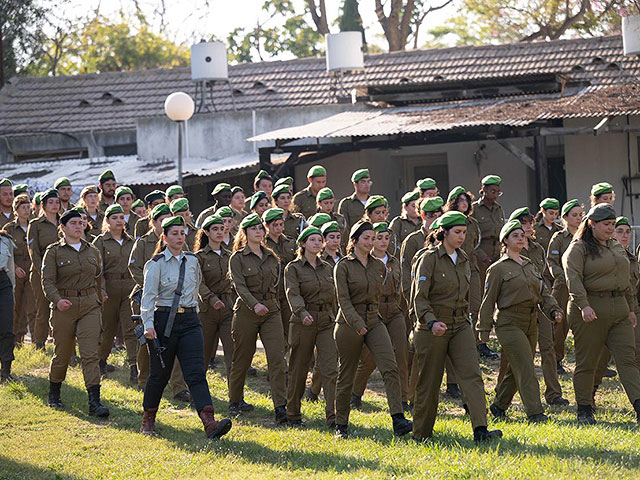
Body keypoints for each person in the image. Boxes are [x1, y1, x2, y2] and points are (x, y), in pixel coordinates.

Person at [412, 211, 502, 442]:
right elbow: (419, 298)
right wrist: (430, 321)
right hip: (433, 326)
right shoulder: (429, 258)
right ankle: (421, 433)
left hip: (460, 324)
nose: (462, 237)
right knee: (429, 382)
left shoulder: (463, 258)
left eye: (464, 232)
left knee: (472, 375)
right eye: (457, 232)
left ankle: (480, 429)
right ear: (443, 232)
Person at [139, 215, 232, 439]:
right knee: (159, 376)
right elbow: (148, 298)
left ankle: (210, 423)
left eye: (182, 233)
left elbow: (197, 288)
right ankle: (148, 420)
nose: (180, 237)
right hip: (163, 322)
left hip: (190, 321)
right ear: (164, 237)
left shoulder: (192, 261)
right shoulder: (156, 264)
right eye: (174, 234)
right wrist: (148, 325)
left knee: (196, 373)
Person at [333, 220, 412, 439]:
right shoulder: (344, 266)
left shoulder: (378, 265)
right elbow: (343, 300)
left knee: (390, 366)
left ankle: (398, 419)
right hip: (350, 323)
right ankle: (341, 425)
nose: (370, 242)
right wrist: (357, 324)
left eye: (372, 238)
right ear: (355, 241)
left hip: (374, 319)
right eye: (366, 238)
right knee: (346, 374)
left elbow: (384, 294)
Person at [563, 204, 640, 425]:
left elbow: (627, 279)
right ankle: (585, 408)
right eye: (607, 225)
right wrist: (584, 305)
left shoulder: (615, 245)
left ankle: (638, 405)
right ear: (592, 224)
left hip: (620, 308)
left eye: (613, 225)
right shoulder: (579, 248)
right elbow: (573, 279)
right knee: (588, 362)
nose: (611, 229)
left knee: (628, 360)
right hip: (590, 308)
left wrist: (631, 309)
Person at [479, 219, 563, 423]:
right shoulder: (498, 268)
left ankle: (498, 406)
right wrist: (483, 330)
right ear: (505, 240)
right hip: (509, 322)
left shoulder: (530, 265)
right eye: (515, 236)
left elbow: (543, 292)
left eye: (522, 235)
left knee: (515, 368)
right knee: (526, 366)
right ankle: (535, 412)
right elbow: (488, 300)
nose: (520, 238)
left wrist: (554, 311)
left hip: (530, 320)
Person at [498, 207, 568, 406]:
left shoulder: (538, 249)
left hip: (539, 305)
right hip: (515, 311)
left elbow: (542, 278)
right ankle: (501, 392)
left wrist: (551, 306)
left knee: (548, 348)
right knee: (509, 356)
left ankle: (554, 394)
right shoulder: (506, 254)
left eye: (529, 223)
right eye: (523, 223)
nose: (528, 227)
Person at [42, 209, 109, 416]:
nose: (79, 226)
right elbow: (47, 281)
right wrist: (57, 300)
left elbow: (99, 277)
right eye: (73, 223)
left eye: (81, 222)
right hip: (65, 305)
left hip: (89, 305)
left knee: (90, 354)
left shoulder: (93, 251)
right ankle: (54, 395)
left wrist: (100, 298)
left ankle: (94, 402)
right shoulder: (54, 251)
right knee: (62, 354)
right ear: (62, 227)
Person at [227, 212, 288, 422]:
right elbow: (239, 286)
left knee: (277, 359)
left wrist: (272, 306)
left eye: (260, 228)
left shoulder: (272, 256)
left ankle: (281, 407)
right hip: (246, 311)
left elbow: (278, 285)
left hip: (271, 310)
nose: (258, 232)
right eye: (253, 229)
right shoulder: (237, 258)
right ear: (244, 232)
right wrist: (255, 305)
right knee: (242, 358)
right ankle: (235, 401)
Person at [129, 203, 190, 401]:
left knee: (177, 343)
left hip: (174, 299)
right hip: (147, 298)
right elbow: (135, 268)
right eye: (161, 220)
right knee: (149, 341)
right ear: (153, 222)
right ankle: (144, 380)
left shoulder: (178, 241)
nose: (165, 223)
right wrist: (152, 287)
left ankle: (178, 387)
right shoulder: (143, 243)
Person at [351, 222, 410, 412]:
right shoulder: (365, 262)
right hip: (373, 311)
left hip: (393, 310)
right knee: (369, 358)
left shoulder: (393, 261)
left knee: (402, 353)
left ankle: (402, 399)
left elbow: (400, 288)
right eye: (378, 238)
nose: (383, 242)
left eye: (386, 238)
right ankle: (355, 393)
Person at [284, 226, 337, 427]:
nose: (316, 243)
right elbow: (293, 294)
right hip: (303, 321)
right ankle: (293, 413)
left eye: (318, 240)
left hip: (326, 321)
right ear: (303, 244)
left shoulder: (328, 267)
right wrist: (302, 313)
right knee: (299, 367)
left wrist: (334, 316)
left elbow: (334, 295)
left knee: (330, 368)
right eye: (312, 240)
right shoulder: (293, 268)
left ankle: (333, 416)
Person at [444, 186, 497, 359]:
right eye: (460, 201)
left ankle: (479, 344)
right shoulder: (447, 223)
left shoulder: (473, 223)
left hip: (471, 268)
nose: (464, 203)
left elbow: (476, 245)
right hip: (451, 269)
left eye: (466, 200)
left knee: (476, 306)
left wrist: (482, 257)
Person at [592, 215, 640, 403]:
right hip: (608, 310)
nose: (624, 235)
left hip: (631, 311)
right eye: (620, 231)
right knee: (601, 357)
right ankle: (590, 394)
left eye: (627, 232)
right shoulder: (604, 255)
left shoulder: (632, 258)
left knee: (634, 354)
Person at [92, 204, 137, 382]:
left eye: (121, 217)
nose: (119, 221)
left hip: (129, 287)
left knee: (131, 328)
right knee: (107, 329)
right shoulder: (100, 242)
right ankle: (101, 361)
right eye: (115, 218)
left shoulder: (132, 241)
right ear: (107, 221)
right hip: (109, 287)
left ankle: (134, 366)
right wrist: (101, 290)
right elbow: (98, 269)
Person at [194, 214, 235, 376]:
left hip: (228, 308)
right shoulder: (199, 257)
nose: (219, 232)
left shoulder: (230, 255)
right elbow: (198, 282)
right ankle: (198, 394)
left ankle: (236, 398)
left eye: (222, 229)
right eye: (215, 229)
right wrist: (212, 299)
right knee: (202, 354)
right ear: (206, 232)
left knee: (233, 353)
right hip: (206, 310)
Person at [547, 199, 584, 374]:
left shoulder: (585, 236)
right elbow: (551, 261)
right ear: (565, 217)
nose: (578, 218)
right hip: (562, 286)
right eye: (574, 215)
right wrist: (562, 276)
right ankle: (556, 360)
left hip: (583, 285)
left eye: (580, 215)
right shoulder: (559, 238)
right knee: (560, 325)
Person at [27, 188, 60, 349]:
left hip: (62, 273)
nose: (54, 205)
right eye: (50, 202)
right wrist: (44, 271)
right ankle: (39, 343)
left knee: (60, 309)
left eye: (57, 202)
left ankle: (60, 341)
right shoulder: (35, 224)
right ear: (43, 205)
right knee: (43, 309)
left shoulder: (65, 221)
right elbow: (33, 251)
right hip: (40, 273)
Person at [262, 208, 296, 350]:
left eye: (281, 224)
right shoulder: (262, 244)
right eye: (274, 225)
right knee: (275, 331)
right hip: (271, 292)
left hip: (287, 291)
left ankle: (284, 359)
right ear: (267, 226)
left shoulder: (290, 242)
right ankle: (278, 363)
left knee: (289, 327)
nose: (278, 228)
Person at [6, 195, 35, 345]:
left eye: (28, 206)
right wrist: (15, 268)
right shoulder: (9, 229)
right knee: (16, 306)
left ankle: (37, 341)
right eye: (23, 207)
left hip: (32, 269)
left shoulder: (35, 225)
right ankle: (16, 339)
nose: (26, 210)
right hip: (15, 270)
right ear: (16, 210)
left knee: (32, 306)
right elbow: (5, 252)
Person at [0, 224, 16, 383]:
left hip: (3, 282)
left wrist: (12, 291)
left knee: (6, 327)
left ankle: (6, 370)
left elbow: (10, 269)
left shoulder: (5, 240)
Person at [388, 191, 420, 259]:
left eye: (418, 206)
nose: (416, 209)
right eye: (413, 206)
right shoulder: (398, 222)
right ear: (405, 207)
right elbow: (392, 242)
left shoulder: (424, 222)